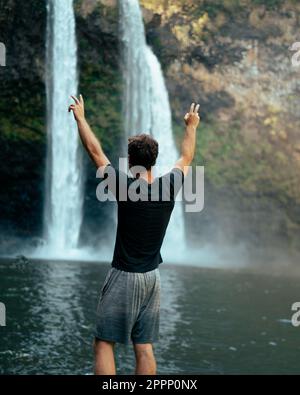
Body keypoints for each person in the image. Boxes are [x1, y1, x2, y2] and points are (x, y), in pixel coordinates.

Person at [68, 95, 200, 375]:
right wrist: (192, 126)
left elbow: (95, 152)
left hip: (125, 275)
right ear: (154, 160)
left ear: (131, 162)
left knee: (104, 342)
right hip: (153, 278)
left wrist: (80, 118)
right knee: (144, 346)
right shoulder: (170, 186)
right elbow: (187, 156)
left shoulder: (124, 188)